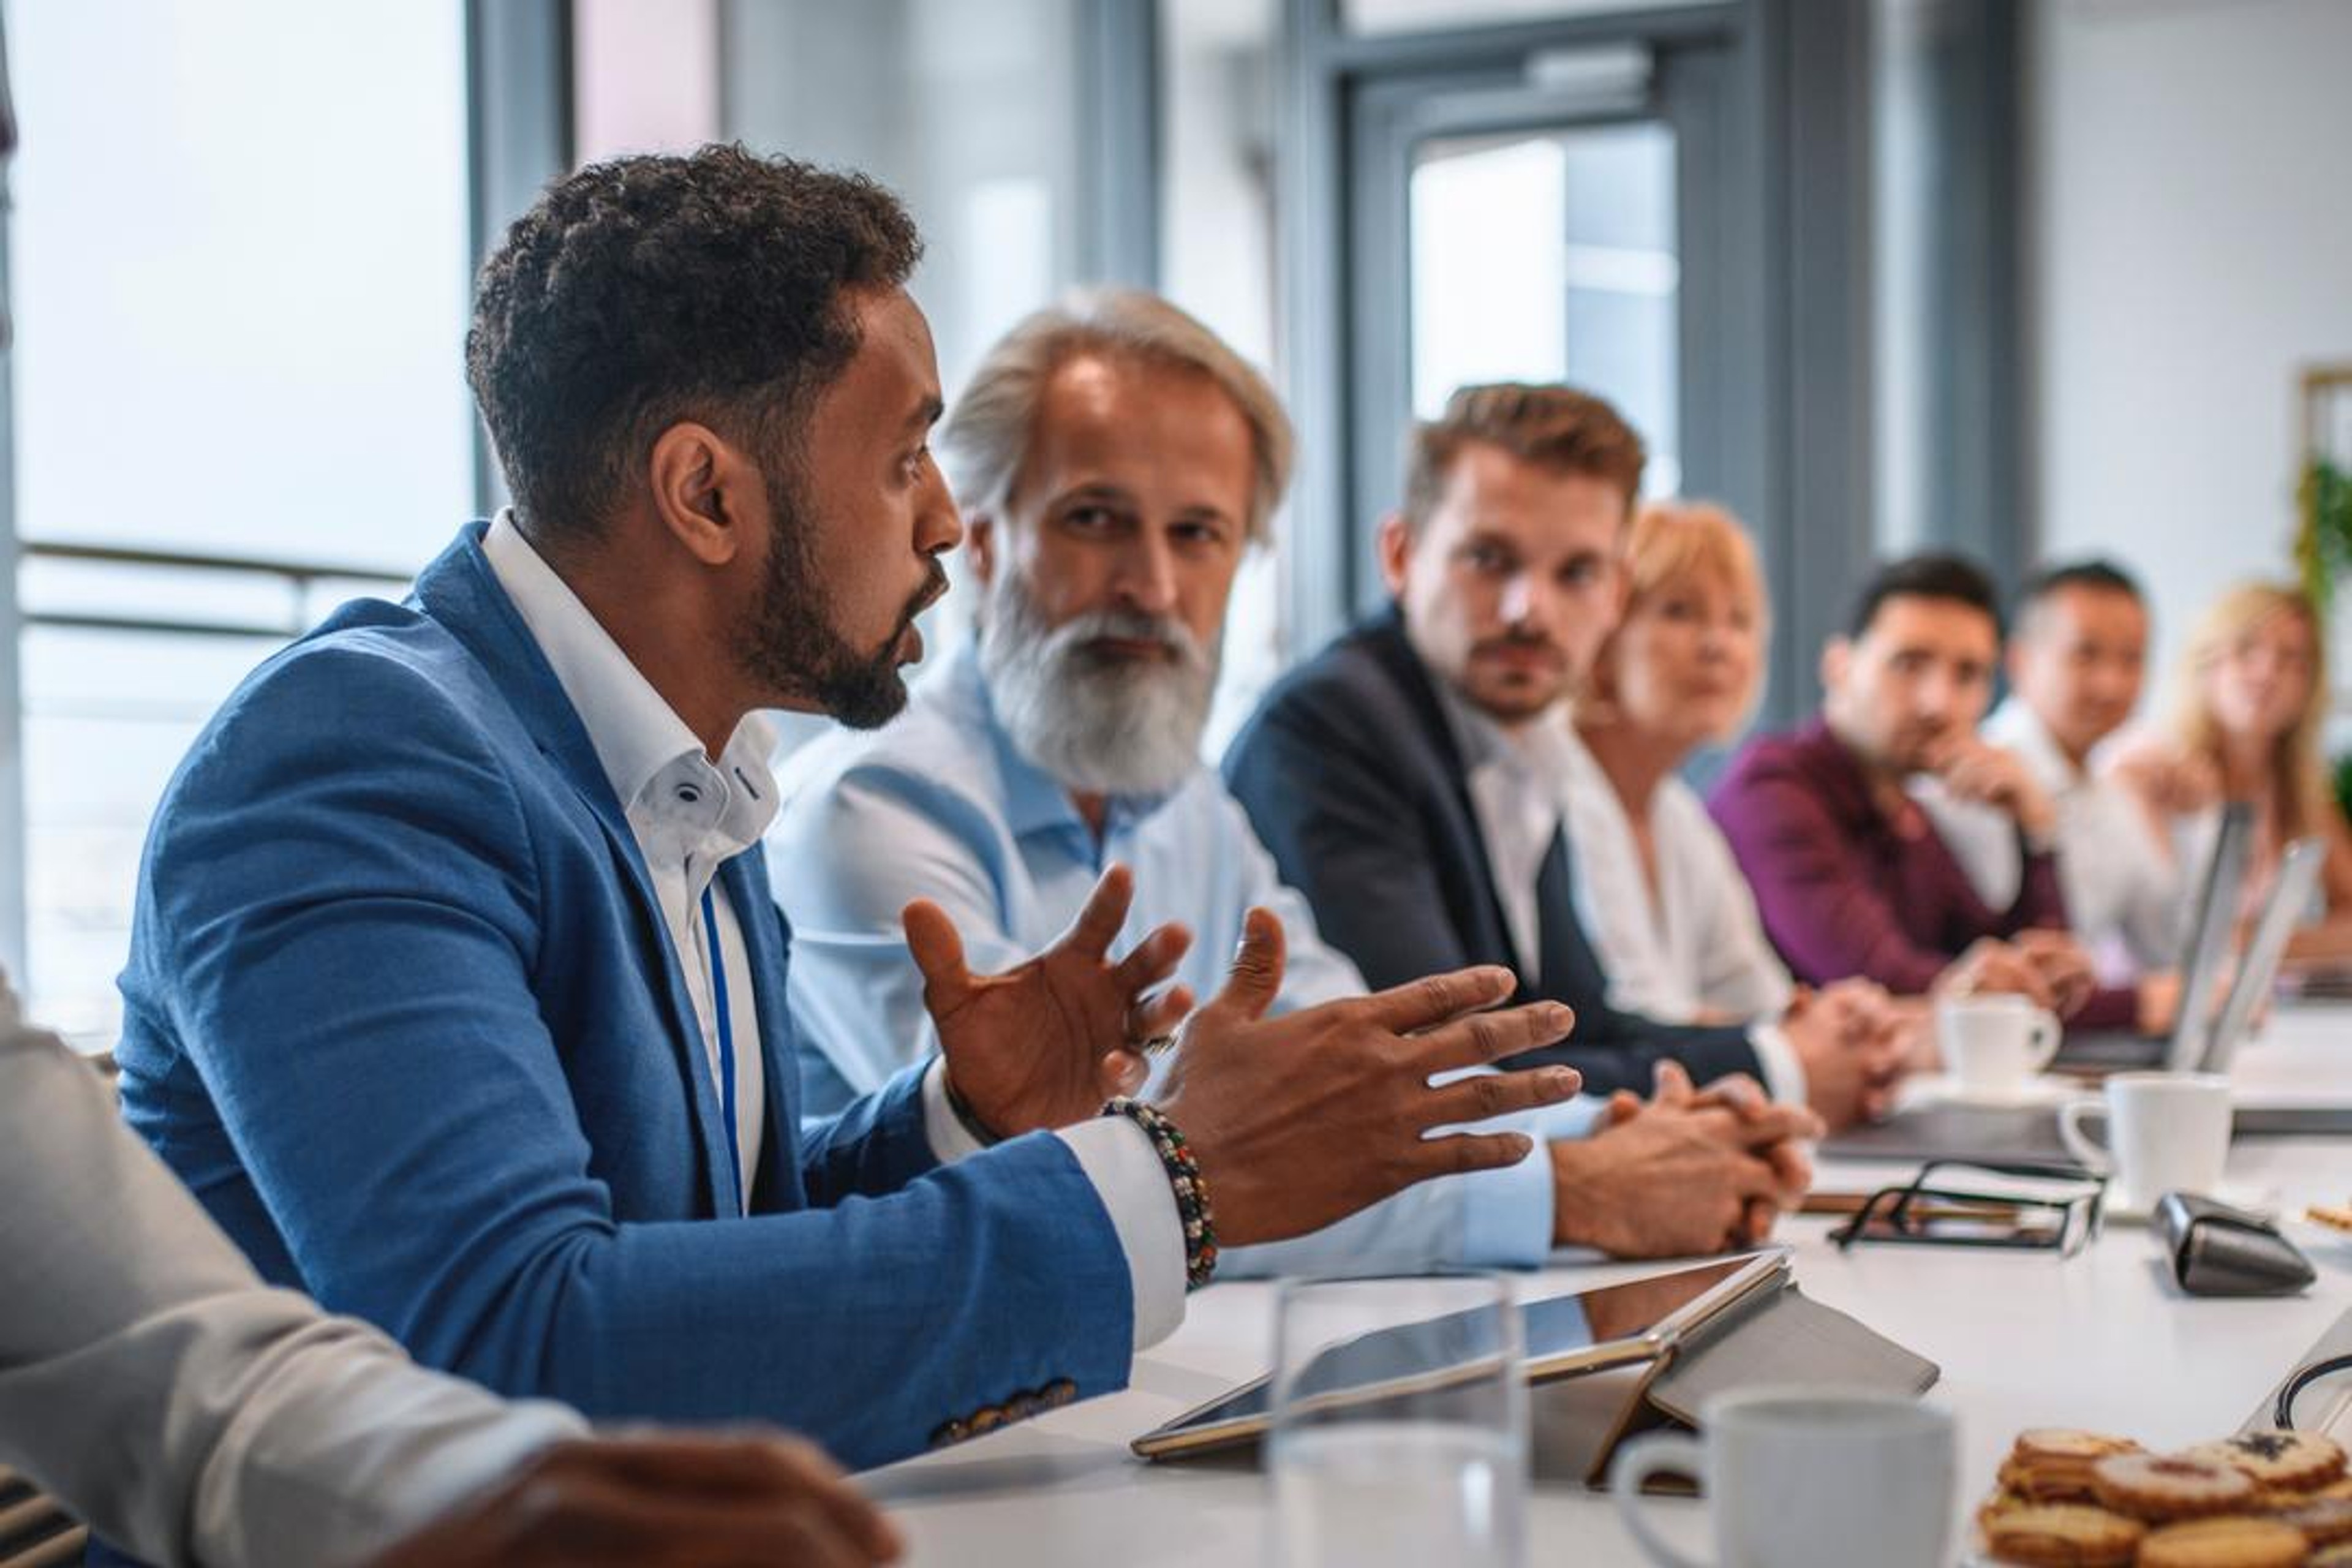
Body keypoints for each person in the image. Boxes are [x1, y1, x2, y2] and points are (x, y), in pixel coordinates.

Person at [112, 147, 1583, 1477]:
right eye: (901, 459)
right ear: (704, 493)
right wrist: (1171, 1181)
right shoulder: (353, 761)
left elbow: (698, 1243)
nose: (947, 520)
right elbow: (515, 1342)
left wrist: (957, 1118)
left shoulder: (689, 765)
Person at [772, 291, 1819, 1267]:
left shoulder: (1185, 799)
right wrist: (1571, 1189)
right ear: (988, 540)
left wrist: (1643, 1130)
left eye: (1198, 533)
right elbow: (1073, 1184)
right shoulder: (877, 808)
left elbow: (1353, 1069)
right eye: (1094, 520)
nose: (1153, 585)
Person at [0, 972, 903, 1568]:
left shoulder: (710, 804)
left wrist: (492, 1485)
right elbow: (525, 1313)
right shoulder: (350, 761)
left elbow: (195, 1380)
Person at [1224, 383, 1909, 1129]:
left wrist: (1780, 1041)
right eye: (1489, 559)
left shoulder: (1524, 739)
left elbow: (1571, 1022)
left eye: (1576, 573)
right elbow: (1455, 1068)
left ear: (1615, 592)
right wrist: (1779, 1065)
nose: (1531, 610)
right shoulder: (1333, 727)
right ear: (1401, 555)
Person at [1708, 553, 2168, 1033]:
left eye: (1968, 675)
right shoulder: (1771, 793)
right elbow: (1885, 978)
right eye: (1909, 664)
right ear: (1839, 666)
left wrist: (2036, 831)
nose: (1939, 703)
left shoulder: (1905, 811)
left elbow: (2029, 972)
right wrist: (2138, 1005)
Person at [1564, 500, 1797, 1024]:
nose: (1718, 645)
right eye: (1679, 611)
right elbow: (1632, 1020)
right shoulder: (1555, 791)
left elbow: (1757, 995)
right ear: (1603, 635)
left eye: (1739, 620)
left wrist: (1837, 1022)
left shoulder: (1677, 814)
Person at [1922, 561, 2187, 998]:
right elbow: (2014, 970)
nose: (2111, 684)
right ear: (2020, 662)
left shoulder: (2111, 792)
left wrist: (2181, 821)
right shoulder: (1971, 786)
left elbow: (2168, 947)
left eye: (2132, 659)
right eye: (2086, 655)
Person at [2122, 580, 2352, 960]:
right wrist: (2282, 944)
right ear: (2205, 664)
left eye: (2291, 658)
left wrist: (2260, 944)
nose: (2266, 673)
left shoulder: (2300, 789)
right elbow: (2175, 936)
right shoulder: (2153, 768)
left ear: (2310, 684)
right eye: (2246, 651)